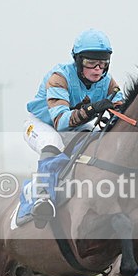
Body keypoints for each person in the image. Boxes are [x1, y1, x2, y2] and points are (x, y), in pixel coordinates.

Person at [23, 29, 124, 224]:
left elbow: (122, 111)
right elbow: (60, 123)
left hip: (75, 127)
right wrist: (92, 109)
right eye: (90, 63)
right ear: (78, 61)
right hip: (41, 124)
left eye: (103, 64)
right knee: (52, 143)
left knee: (94, 140)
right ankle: (42, 197)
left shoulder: (108, 82)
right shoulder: (59, 77)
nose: (97, 70)